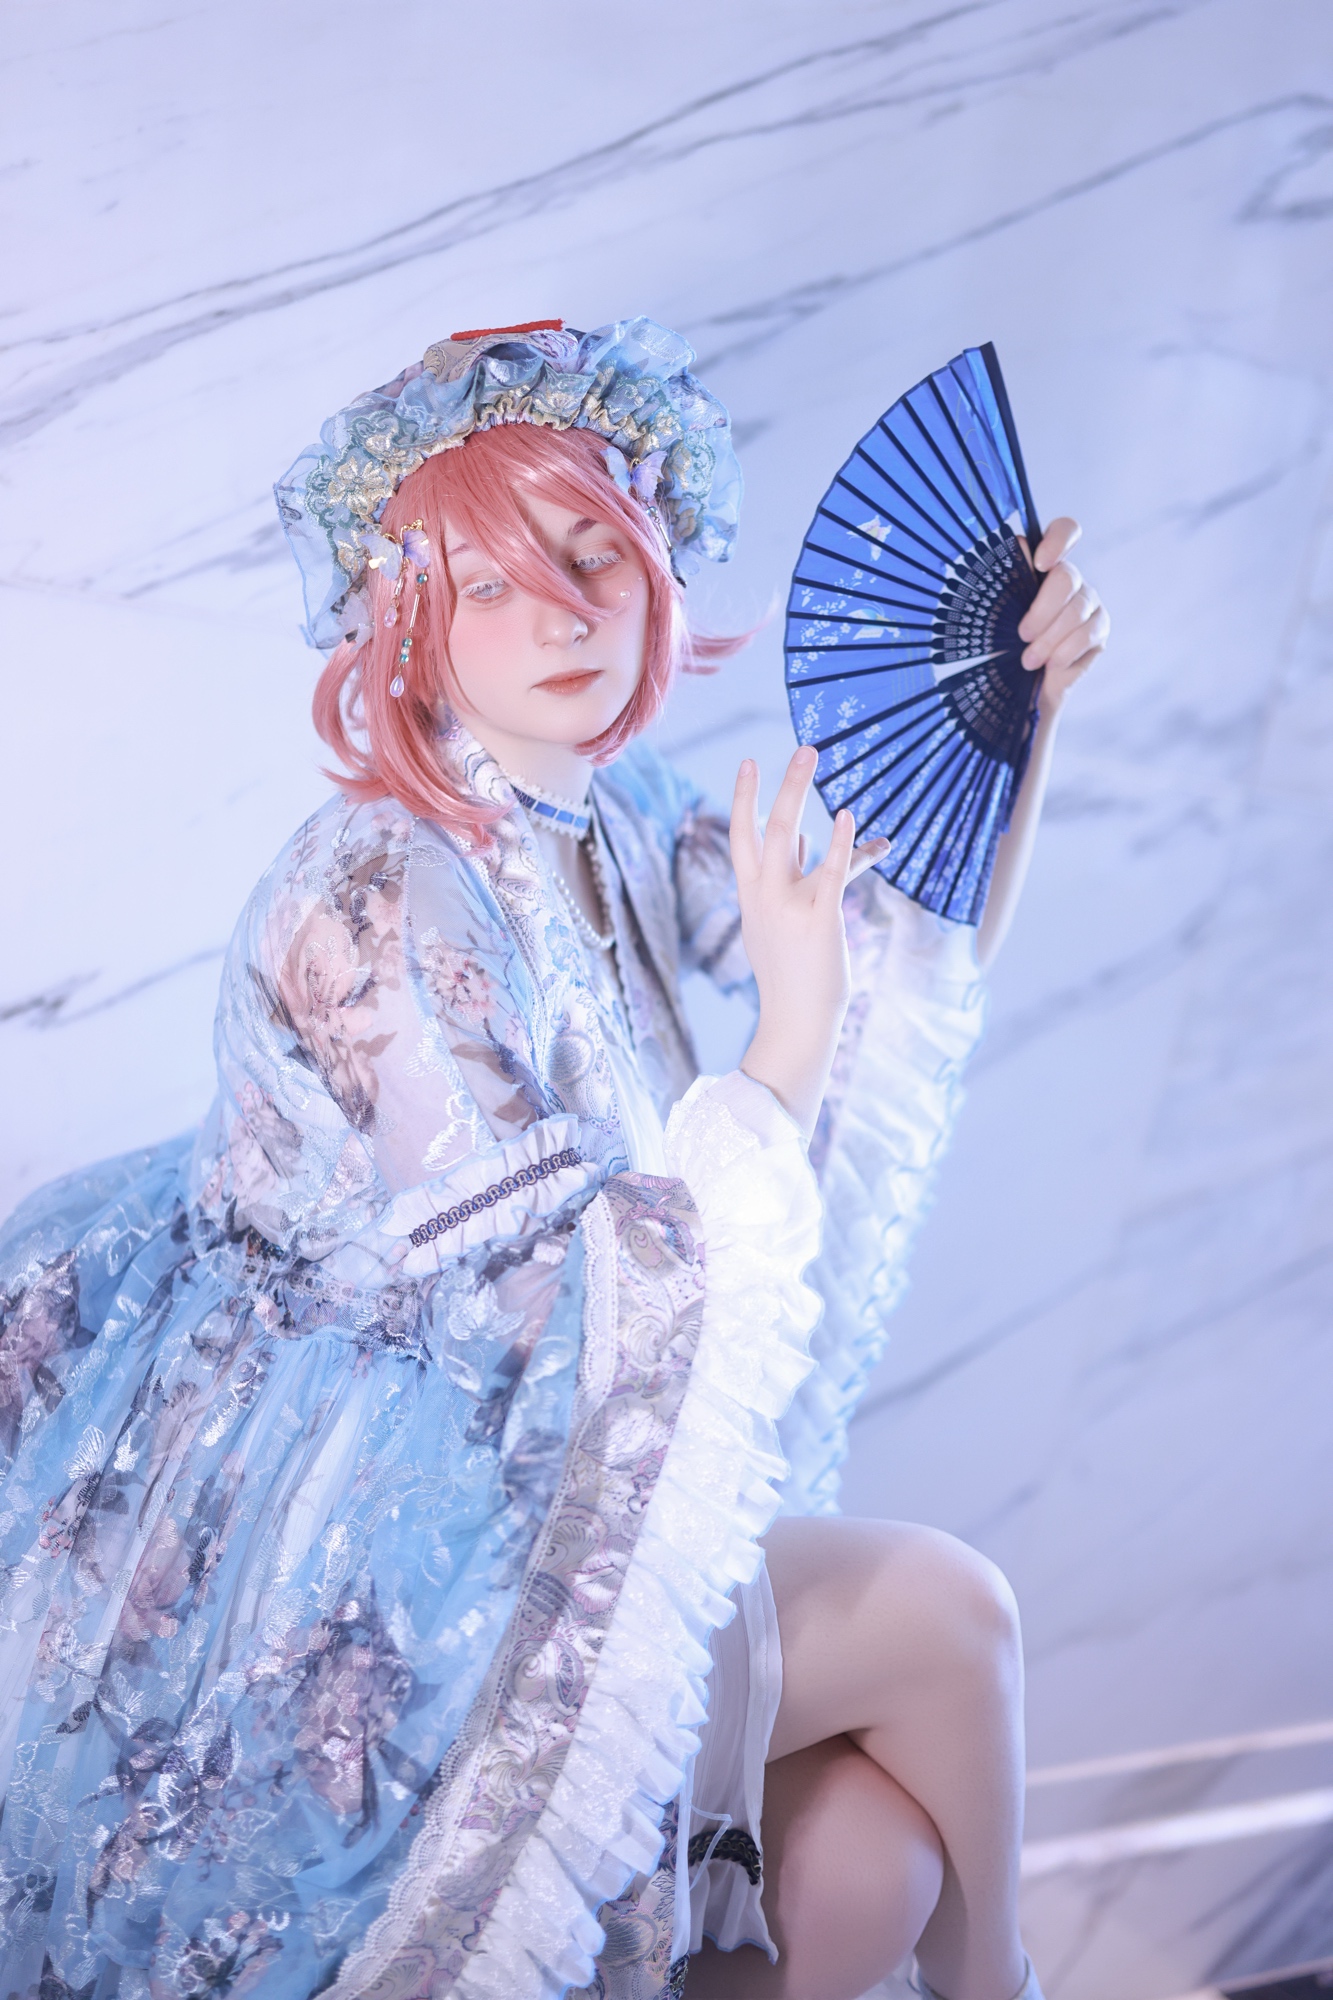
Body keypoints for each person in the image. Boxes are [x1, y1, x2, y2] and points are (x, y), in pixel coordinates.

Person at [0, 318, 1108, 2000]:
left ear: (656, 562)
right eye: (490, 585)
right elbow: (560, 1313)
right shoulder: (375, 891)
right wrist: (785, 1030)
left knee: (869, 1861)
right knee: (955, 1616)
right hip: (404, 1552)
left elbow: (896, 951)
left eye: (593, 556)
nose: (564, 615)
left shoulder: (605, 813)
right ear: (404, 622)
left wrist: (1017, 723)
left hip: (548, 1473)